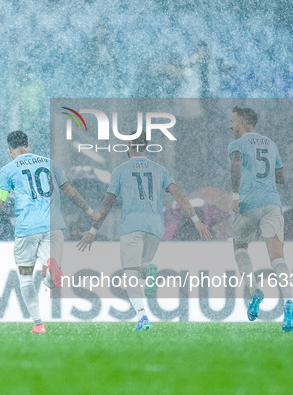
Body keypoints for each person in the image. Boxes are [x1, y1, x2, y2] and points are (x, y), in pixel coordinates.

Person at [77, 133, 212, 331]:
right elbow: (179, 194)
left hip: (133, 225)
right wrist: (196, 220)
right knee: (140, 267)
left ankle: (142, 318)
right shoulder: (160, 170)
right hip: (156, 226)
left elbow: (107, 203)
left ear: (128, 144)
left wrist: (92, 230)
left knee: (130, 275)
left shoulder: (121, 171)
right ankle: (148, 269)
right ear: (146, 147)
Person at [0, 131, 96, 333]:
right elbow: (70, 192)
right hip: (54, 225)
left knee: (25, 275)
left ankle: (38, 324)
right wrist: (89, 211)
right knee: (49, 275)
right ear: (28, 146)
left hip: (26, 228)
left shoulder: (7, 170)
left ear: (10, 149)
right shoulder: (50, 163)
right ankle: (50, 272)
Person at [228, 106, 293, 332]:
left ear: (244, 123)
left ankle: (254, 289)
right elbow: (282, 177)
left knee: (239, 247)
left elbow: (236, 167)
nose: (230, 126)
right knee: (277, 258)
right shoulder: (270, 143)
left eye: (233, 121)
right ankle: (288, 304)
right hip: (271, 203)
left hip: (247, 203)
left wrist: (236, 195)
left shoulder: (237, 144)